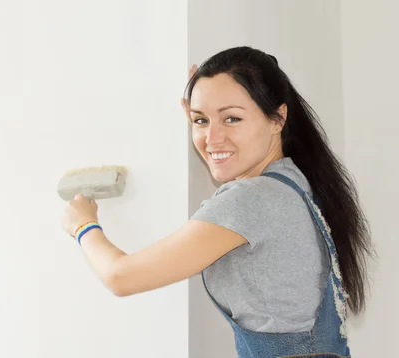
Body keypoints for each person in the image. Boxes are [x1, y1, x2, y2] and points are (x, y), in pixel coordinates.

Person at [60, 46, 374, 357]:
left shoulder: (250, 200)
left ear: (278, 118)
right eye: (200, 121)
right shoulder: (295, 183)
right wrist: (211, 112)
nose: (212, 138)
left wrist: (83, 225)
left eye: (232, 119)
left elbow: (120, 277)